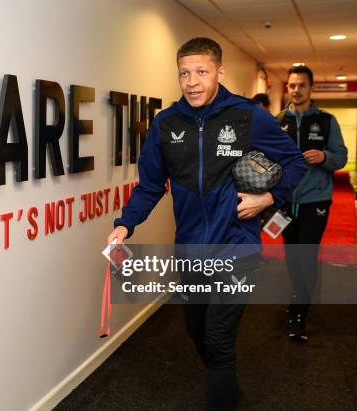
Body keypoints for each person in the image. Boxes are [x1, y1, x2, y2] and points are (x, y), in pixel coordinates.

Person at [106, 37, 306, 411]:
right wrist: (124, 225)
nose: (192, 81)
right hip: (191, 250)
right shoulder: (166, 124)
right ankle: (228, 388)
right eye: (184, 73)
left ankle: (221, 399)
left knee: (217, 336)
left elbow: (295, 162)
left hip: (237, 246)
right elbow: (150, 186)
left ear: (219, 72)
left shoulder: (249, 116)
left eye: (201, 72)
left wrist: (269, 199)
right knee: (196, 330)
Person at [277, 65, 348, 341]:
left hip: (315, 199)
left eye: (301, 85)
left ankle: (299, 310)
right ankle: (299, 293)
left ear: (311, 88)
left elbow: (340, 156)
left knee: (306, 254)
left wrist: (324, 157)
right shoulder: (278, 120)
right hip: (285, 201)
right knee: (293, 255)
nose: (296, 90)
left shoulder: (327, 121)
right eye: (292, 85)